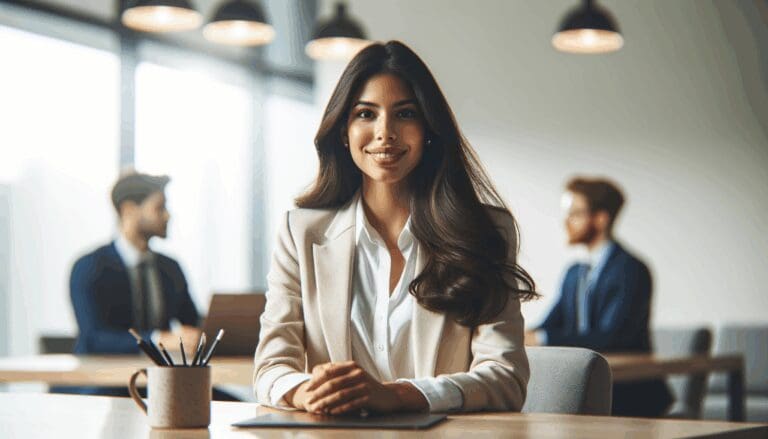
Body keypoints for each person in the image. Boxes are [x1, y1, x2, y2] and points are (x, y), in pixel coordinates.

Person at [253, 41, 537, 416]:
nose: (385, 132)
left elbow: (505, 378)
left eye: (405, 114)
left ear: (429, 129)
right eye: (365, 114)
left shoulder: (485, 232)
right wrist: (305, 391)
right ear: (343, 131)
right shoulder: (300, 233)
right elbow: (271, 368)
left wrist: (401, 396)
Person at [527, 177, 672, 417]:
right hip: (586, 391)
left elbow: (612, 337)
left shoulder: (630, 269)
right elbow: (551, 324)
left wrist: (541, 337)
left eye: (574, 213)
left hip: (631, 395)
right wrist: (526, 335)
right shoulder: (575, 273)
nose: (566, 221)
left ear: (601, 218)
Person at [65, 172, 200, 396]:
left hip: (161, 383)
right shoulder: (89, 268)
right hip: (104, 384)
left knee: (232, 408)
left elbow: (192, 322)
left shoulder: (170, 269)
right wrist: (158, 340)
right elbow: (93, 339)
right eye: (159, 207)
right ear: (129, 210)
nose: (167, 216)